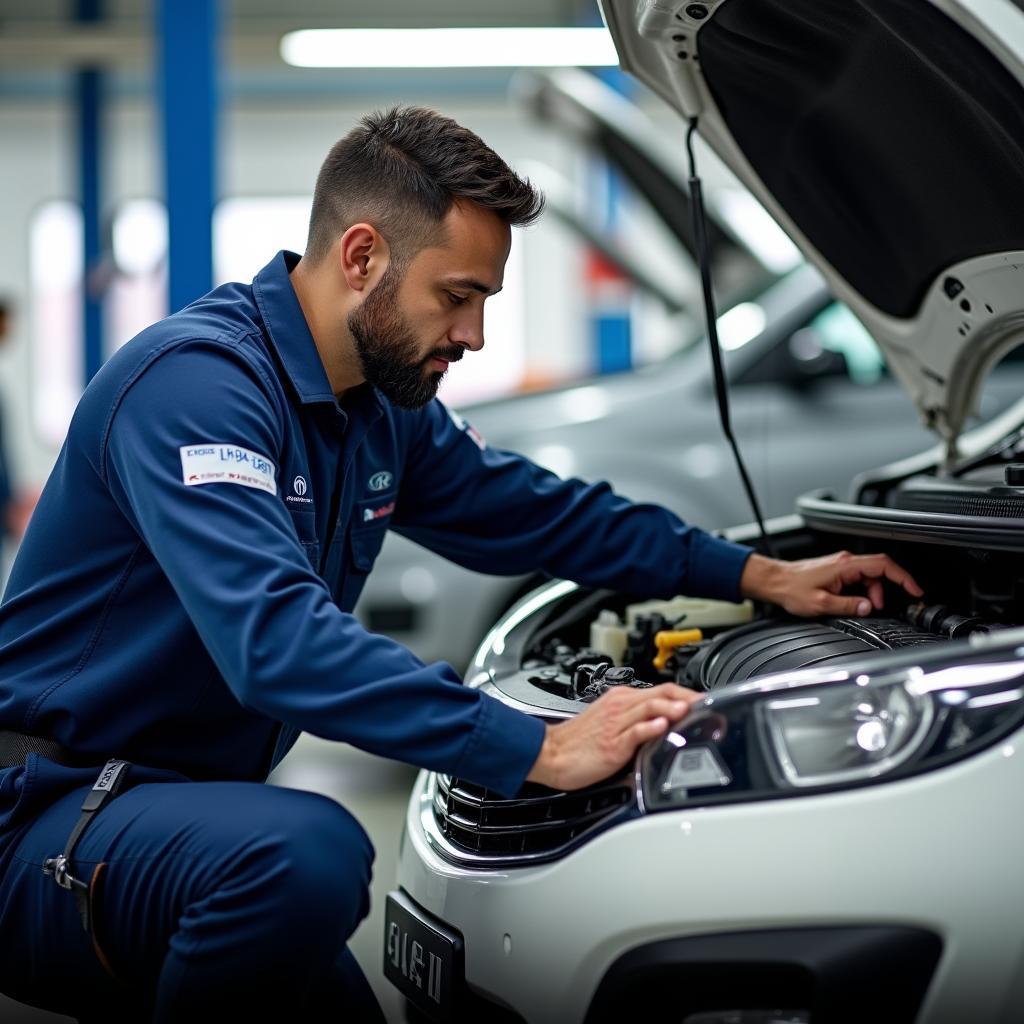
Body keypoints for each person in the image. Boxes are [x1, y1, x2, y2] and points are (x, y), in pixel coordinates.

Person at [0, 107, 922, 1022]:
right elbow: (276, 643)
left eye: (484, 301)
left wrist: (756, 575)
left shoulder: (377, 409)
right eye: (456, 295)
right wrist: (540, 745)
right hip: (47, 814)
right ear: (362, 256)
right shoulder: (197, 388)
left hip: (179, 819)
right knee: (302, 856)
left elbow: (538, 513)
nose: (473, 334)